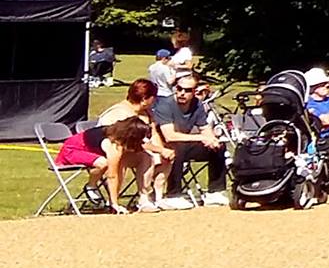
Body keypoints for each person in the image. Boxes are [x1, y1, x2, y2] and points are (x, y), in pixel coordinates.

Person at [65, 78, 172, 211]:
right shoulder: (118, 114)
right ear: (145, 98)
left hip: (124, 148)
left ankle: (146, 198)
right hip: (90, 150)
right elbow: (114, 166)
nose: (155, 100)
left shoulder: (146, 113)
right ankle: (108, 198)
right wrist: (159, 151)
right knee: (118, 161)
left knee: (146, 157)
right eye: (153, 97)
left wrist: (161, 151)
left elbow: (151, 135)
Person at [152, 71, 228, 208]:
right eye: (179, 88)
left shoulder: (197, 105)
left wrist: (212, 140)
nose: (182, 93)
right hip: (161, 146)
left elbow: (205, 128)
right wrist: (201, 137)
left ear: (194, 92)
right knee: (177, 148)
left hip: (185, 144)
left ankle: (215, 192)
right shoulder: (165, 105)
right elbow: (170, 136)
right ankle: (173, 194)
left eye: (187, 90)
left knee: (218, 147)